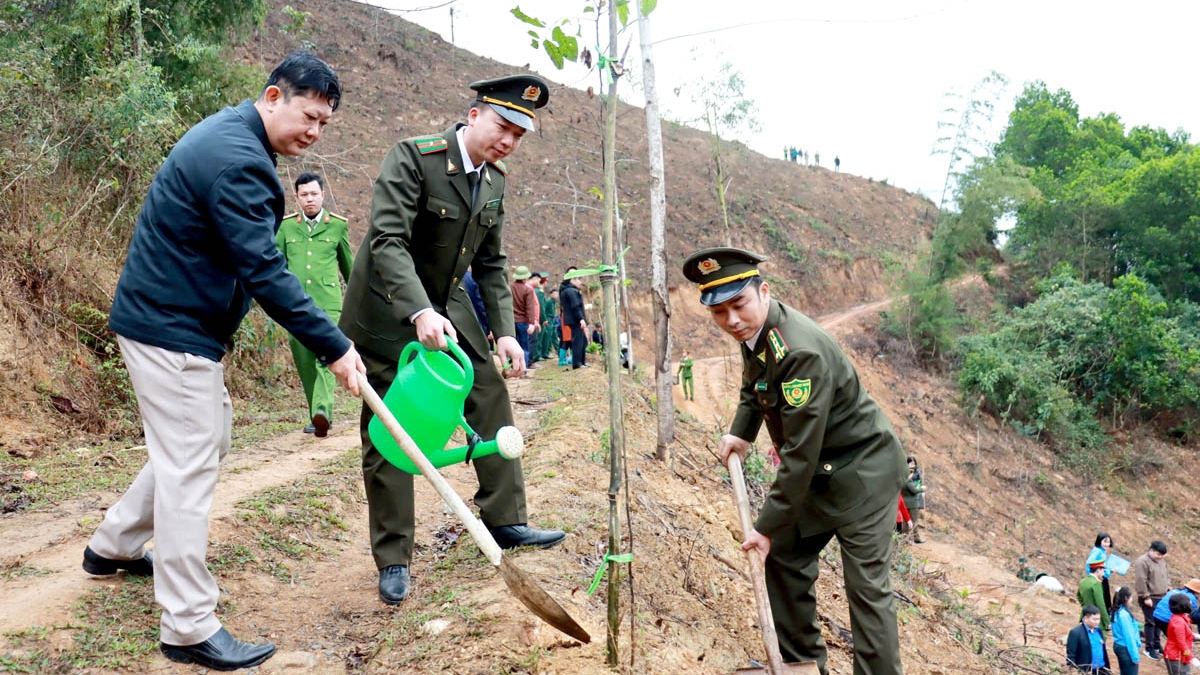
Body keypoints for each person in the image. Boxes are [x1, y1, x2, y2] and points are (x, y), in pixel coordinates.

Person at [81, 51, 365, 672]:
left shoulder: (234, 139)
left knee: (204, 439)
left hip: (172, 322)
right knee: (189, 461)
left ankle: (115, 545)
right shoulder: (238, 160)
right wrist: (336, 346)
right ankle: (187, 625)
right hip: (171, 328)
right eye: (307, 116)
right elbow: (264, 270)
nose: (313, 132)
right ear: (272, 96)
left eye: (324, 124)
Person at [339, 74, 566, 606]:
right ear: (474, 115)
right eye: (502, 126)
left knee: (488, 388)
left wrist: (507, 334)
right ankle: (394, 556)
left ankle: (506, 519)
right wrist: (417, 309)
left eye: (519, 135)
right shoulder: (414, 158)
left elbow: (491, 262)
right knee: (392, 424)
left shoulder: (495, 181)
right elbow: (388, 238)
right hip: (387, 305)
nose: (508, 140)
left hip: (447, 302)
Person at [683, 247, 907, 675]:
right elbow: (755, 384)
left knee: (866, 592)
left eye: (739, 305)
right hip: (823, 473)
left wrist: (764, 528)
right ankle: (802, 664)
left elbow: (800, 456)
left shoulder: (800, 352)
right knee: (782, 559)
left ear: (763, 291)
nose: (731, 320)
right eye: (720, 311)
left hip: (864, 474)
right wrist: (741, 432)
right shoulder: (759, 332)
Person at [277, 172, 354, 436]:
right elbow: (274, 265)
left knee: (325, 357)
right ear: (296, 198)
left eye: (314, 194)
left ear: (322, 194)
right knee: (304, 359)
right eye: (304, 195)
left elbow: (349, 269)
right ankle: (316, 415)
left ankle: (323, 411)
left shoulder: (337, 226)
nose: (309, 199)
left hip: (328, 304)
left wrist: (356, 303)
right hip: (295, 305)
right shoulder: (286, 227)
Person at [1133, 540, 1169, 660]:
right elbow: (1140, 580)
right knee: (1150, 622)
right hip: (1150, 597)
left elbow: (1165, 575)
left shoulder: (1161, 561)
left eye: (1162, 555)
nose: (1160, 557)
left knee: (1158, 622)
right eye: (1158, 554)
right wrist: (1145, 596)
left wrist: (1168, 588)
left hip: (1161, 596)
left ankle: (1157, 644)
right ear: (1152, 550)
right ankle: (1149, 648)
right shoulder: (1142, 562)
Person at [1066, 605, 1111, 673]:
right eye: (1094, 619)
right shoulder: (1076, 633)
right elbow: (1071, 655)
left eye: (1098, 619)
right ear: (1085, 618)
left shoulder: (1098, 631)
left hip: (1102, 669)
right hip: (1086, 670)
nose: (1097, 622)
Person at [510, 265, 540, 366]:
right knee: (524, 347)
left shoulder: (509, 288)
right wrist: (532, 323)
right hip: (523, 322)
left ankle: (513, 367)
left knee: (513, 346)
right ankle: (523, 369)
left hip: (511, 322)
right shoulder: (528, 290)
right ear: (525, 277)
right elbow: (530, 308)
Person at [559, 268, 589, 369]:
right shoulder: (571, 291)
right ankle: (577, 363)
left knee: (582, 341)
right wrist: (581, 319)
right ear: (572, 280)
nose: (579, 282)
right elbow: (575, 306)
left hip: (574, 319)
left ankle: (582, 362)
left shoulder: (567, 290)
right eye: (577, 279)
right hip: (576, 320)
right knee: (578, 341)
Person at [1110, 586, 1142, 674]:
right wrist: (1135, 657)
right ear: (1126, 598)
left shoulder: (1117, 611)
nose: (1132, 600)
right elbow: (1129, 636)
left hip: (1119, 645)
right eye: (1131, 597)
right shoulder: (1124, 615)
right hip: (1126, 648)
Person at [1163, 592, 1194, 675]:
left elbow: (1186, 634)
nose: (1190, 602)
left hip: (1182, 655)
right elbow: (1181, 643)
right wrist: (1190, 657)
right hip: (1176, 657)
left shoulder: (1182, 618)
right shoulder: (1178, 622)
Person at [1079, 559, 1111, 633]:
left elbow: (1079, 596)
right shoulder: (1096, 584)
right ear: (1098, 570)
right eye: (1103, 570)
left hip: (1085, 615)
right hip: (1095, 618)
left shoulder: (1083, 581)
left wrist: (1085, 605)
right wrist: (1107, 621)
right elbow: (1101, 604)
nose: (1103, 573)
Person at [901, 456, 926, 543]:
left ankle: (904, 538)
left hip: (905, 503)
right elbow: (914, 490)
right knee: (914, 521)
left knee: (905, 521)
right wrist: (922, 488)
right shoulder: (909, 481)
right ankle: (916, 538)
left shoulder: (902, 480)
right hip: (912, 503)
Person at [1088, 533, 1116, 609]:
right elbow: (1089, 564)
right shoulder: (1097, 552)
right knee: (1102, 602)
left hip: (1102, 578)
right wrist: (1093, 576)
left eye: (1108, 542)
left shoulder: (1102, 551)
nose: (1107, 544)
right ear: (1099, 541)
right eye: (1105, 541)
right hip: (1099, 579)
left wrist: (1109, 571)